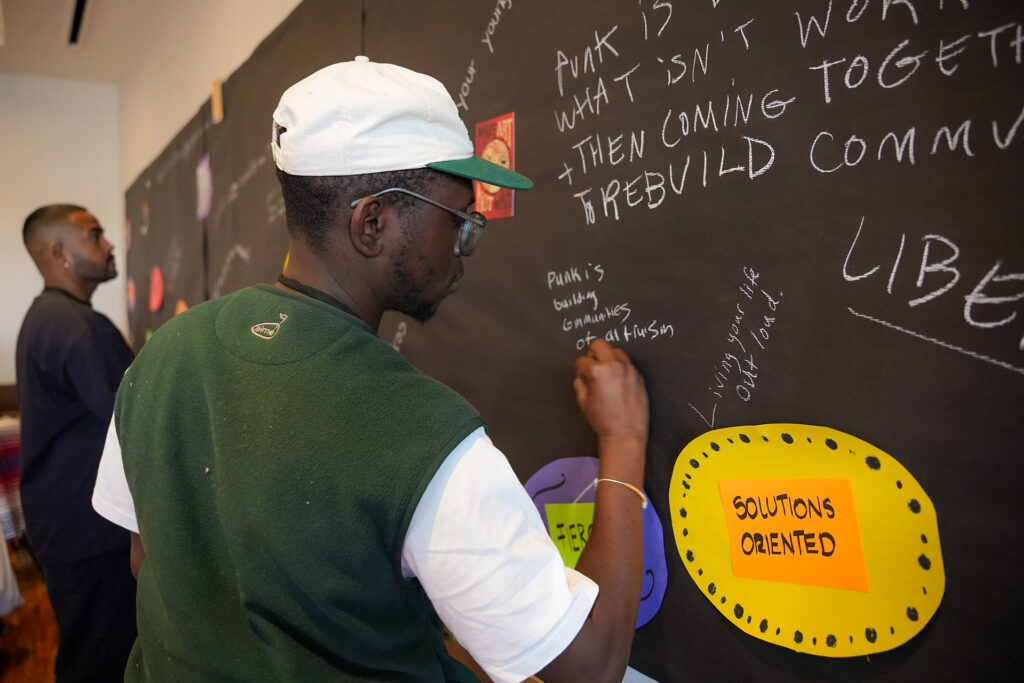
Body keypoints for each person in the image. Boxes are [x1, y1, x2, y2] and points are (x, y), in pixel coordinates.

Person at [92, 57, 649, 682]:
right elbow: (593, 663)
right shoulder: (420, 431)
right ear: (372, 223)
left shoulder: (159, 358)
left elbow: (149, 559)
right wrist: (623, 441)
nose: (465, 247)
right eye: (457, 220)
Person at [17, 204, 137, 681]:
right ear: (58, 252)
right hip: (90, 533)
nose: (108, 245)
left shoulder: (47, 318)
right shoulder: (79, 328)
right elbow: (134, 419)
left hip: (64, 524)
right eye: (94, 235)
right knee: (100, 660)